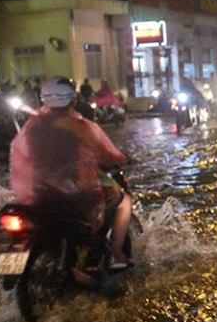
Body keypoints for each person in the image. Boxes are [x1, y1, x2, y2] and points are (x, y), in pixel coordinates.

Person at [9, 76, 133, 271]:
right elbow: (108, 155)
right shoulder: (82, 127)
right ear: (72, 101)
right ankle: (116, 253)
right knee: (124, 201)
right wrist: (124, 158)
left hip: (38, 193)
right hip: (75, 193)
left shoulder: (31, 127)